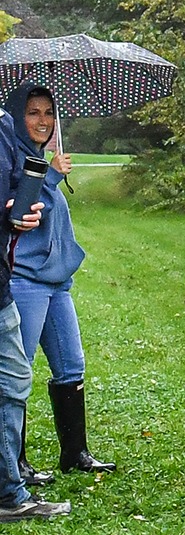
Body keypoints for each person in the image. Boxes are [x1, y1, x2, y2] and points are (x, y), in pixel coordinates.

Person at [6, 84, 115, 483]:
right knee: (16, 373)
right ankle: (14, 462)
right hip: (25, 281)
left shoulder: (39, 157)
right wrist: (50, 175)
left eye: (49, 112)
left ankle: (75, 452)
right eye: (33, 112)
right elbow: (21, 208)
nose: (43, 120)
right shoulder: (11, 158)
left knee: (71, 365)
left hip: (56, 283)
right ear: (17, 117)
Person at [0, 103, 54, 522]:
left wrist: (17, 212)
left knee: (15, 379)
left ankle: (10, 488)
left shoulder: (3, 126)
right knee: (14, 378)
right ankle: (9, 492)